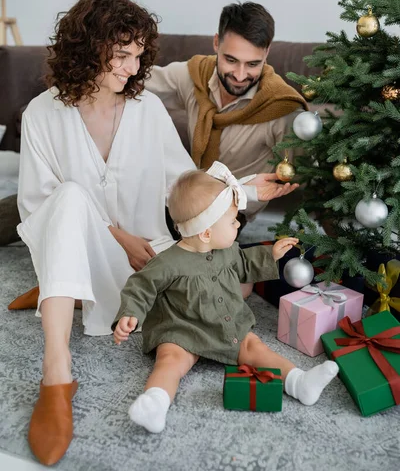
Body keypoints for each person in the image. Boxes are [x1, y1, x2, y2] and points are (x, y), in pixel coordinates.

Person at [8, 0, 301, 466]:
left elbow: (184, 184)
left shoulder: (145, 108)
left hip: (150, 262)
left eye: (139, 55)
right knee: (65, 196)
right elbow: (36, 210)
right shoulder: (42, 114)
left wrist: (246, 190)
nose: (131, 67)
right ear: (87, 48)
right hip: (96, 248)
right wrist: (115, 236)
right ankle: (56, 372)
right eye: (121, 55)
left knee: (234, 286)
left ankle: (61, 289)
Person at [113, 162, 339, 434]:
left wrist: (272, 255)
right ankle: (156, 402)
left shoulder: (228, 249)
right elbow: (141, 285)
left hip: (226, 325)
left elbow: (244, 262)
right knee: (170, 359)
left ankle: (299, 381)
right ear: (206, 233)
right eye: (233, 221)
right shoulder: (168, 263)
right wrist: (130, 313)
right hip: (183, 329)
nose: (237, 225)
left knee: (255, 347)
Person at [146, 1, 307, 220]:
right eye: (231, 60)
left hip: (230, 217)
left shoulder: (282, 110)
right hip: (184, 200)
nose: (240, 76)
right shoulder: (196, 75)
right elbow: (135, 82)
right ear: (216, 43)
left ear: (267, 52)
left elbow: (305, 173)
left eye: (252, 64)